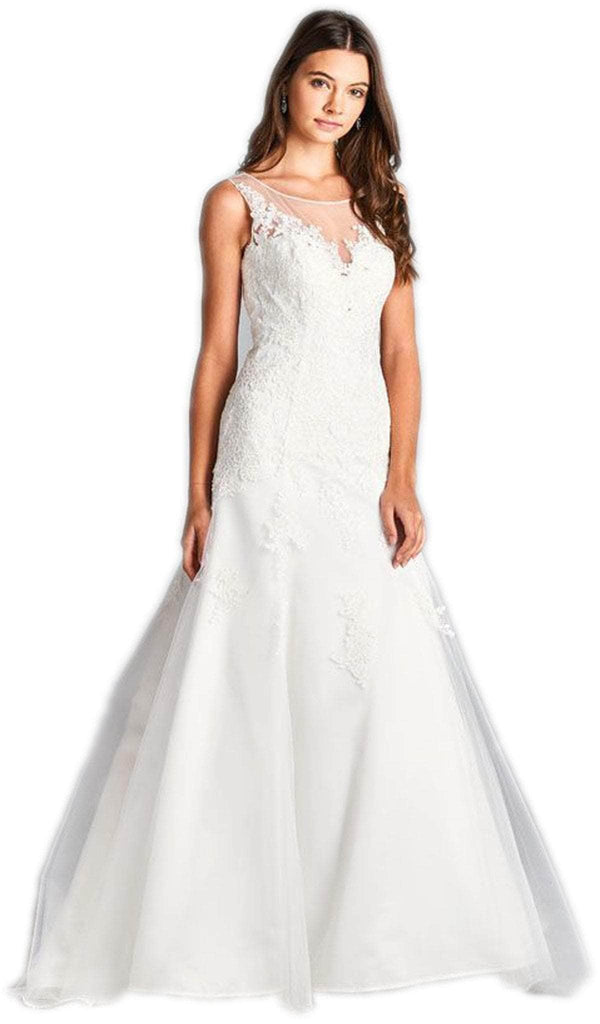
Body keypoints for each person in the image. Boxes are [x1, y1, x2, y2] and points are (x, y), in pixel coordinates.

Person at [8, 9, 590, 1013]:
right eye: (323, 83)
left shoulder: (380, 203)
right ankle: (224, 915)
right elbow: (216, 355)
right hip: (266, 458)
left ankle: (360, 912)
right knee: (246, 669)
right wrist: (196, 493)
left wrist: (402, 477)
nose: (338, 105)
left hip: (356, 464)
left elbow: (402, 354)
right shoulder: (236, 200)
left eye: (356, 92)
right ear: (287, 84)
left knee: (366, 673)